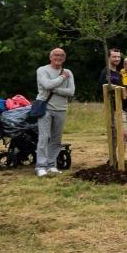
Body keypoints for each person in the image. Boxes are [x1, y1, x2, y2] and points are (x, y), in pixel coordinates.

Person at [34, 48, 75, 177]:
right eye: (56, 55)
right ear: (50, 57)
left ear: (64, 58)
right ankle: (41, 166)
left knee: (56, 139)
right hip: (45, 108)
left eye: (61, 55)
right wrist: (62, 78)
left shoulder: (69, 72)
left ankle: (51, 165)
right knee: (44, 137)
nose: (58, 57)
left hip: (61, 108)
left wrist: (55, 89)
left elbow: (71, 92)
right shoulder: (42, 70)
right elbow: (46, 85)